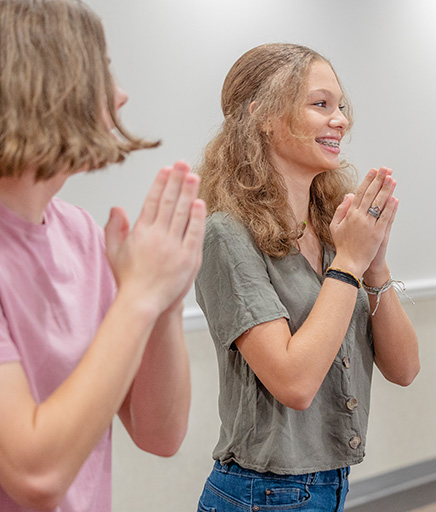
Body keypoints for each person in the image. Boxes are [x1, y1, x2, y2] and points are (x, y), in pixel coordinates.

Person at [195, 42, 420, 511]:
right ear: (263, 115)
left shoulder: (336, 228)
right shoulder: (225, 235)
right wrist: (350, 265)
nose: (341, 119)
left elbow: (405, 369)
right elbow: (295, 383)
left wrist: (373, 264)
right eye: (321, 105)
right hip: (262, 493)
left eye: (341, 107)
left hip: (331, 486)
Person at [0, 1, 206, 511]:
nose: (121, 94)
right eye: (105, 69)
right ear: (57, 81)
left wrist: (165, 302)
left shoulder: (81, 235)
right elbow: (36, 473)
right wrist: (138, 294)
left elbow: (160, 435)